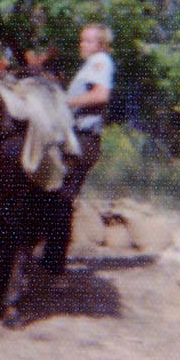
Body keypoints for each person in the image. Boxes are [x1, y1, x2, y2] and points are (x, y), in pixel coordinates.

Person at [38, 22, 115, 275]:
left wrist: (66, 102)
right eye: (82, 40)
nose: (83, 44)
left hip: (83, 139)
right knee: (59, 195)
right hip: (78, 137)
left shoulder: (101, 61)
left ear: (101, 44)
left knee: (62, 196)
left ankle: (54, 262)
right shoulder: (91, 64)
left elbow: (102, 95)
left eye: (89, 41)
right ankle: (51, 257)